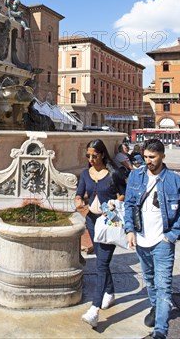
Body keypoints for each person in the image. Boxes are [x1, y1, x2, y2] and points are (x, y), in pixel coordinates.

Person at [124, 139, 180, 339]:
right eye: (145, 157)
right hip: (141, 240)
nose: (148, 161)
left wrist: (170, 237)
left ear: (162, 156)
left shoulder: (175, 181)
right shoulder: (136, 176)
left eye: (152, 157)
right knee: (150, 281)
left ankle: (161, 330)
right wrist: (129, 230)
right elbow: (129, 205)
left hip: (163, 242)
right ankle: (155, 308)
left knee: (163, 285)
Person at [75, 139, 126, 328]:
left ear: (102, 154)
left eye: (94, 156)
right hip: (91, 220)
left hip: (110, 220)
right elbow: (80, 192)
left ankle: (94, 309)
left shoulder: (114, 174)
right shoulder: (85, 174)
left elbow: (123, 193)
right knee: (101, 260)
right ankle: (110, 292)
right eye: (88, 156)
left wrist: (114, 202)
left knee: (101, 264)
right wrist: (78, 200)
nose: (90, 159)